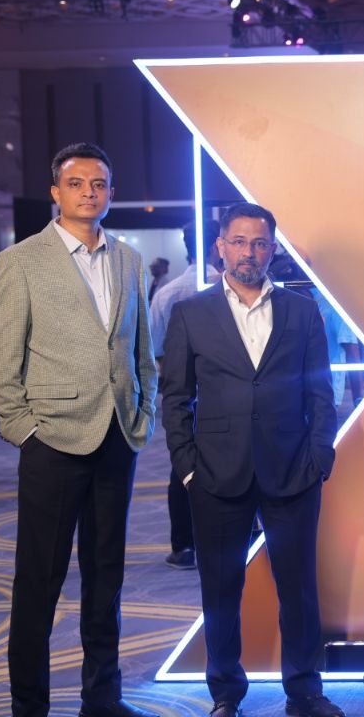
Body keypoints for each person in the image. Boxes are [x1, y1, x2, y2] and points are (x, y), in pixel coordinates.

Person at [0, 142, 159, 717]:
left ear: (111, 193)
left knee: (106, 578)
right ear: (56, 192)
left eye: (99, 184)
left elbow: (141, 350)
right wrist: (23, 428)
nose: (89, 192)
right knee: (39, 581)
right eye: (77, 183)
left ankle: (102, 699)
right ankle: (29, 706)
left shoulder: (128, 259)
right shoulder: (22, 260)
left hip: (117, 436)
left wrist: (143, 411)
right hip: (51, 441)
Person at [161, 203, 342, 717]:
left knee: (299, 591)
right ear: (221, 247)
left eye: (260, 243)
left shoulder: (301, 311)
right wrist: (188, 467)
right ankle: (226, 693)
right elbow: (175, 398)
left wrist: (319, 457)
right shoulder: (191, 313)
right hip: (216, 475)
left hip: (293, 471)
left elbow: (321, 393)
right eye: (239, 242)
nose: (249, 252)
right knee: (220, 592)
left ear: (272, 250)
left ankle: (304, 690)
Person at [149, 220, 221, 570]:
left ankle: (184, 546)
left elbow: (152, 346)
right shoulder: (231, 288)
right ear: (218, 244)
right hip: (228, 392)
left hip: (181, 392)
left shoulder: (167, 292)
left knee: (183, 466)